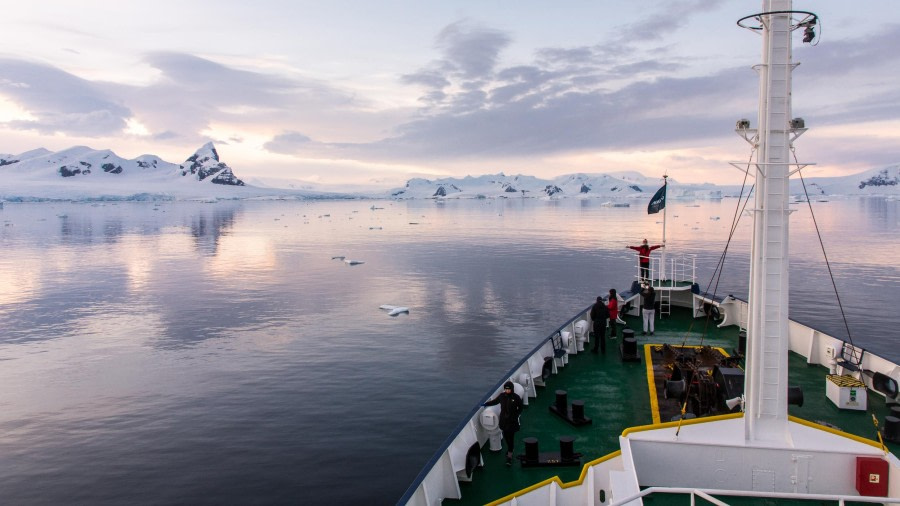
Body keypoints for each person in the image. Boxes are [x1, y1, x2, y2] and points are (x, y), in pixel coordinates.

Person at [483, 381, 524, 466]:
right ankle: (510, 449)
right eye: (506, 389)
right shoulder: (502, 396)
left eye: (508, 389)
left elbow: (520, 407)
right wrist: (485, 404)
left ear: (512, 389)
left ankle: (509, 456)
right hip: (504, 421)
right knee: (506, 436)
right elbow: (495, 401)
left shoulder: (516, 397)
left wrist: (516, 414)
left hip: (512, 421)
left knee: (511, 438)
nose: (507, 390)